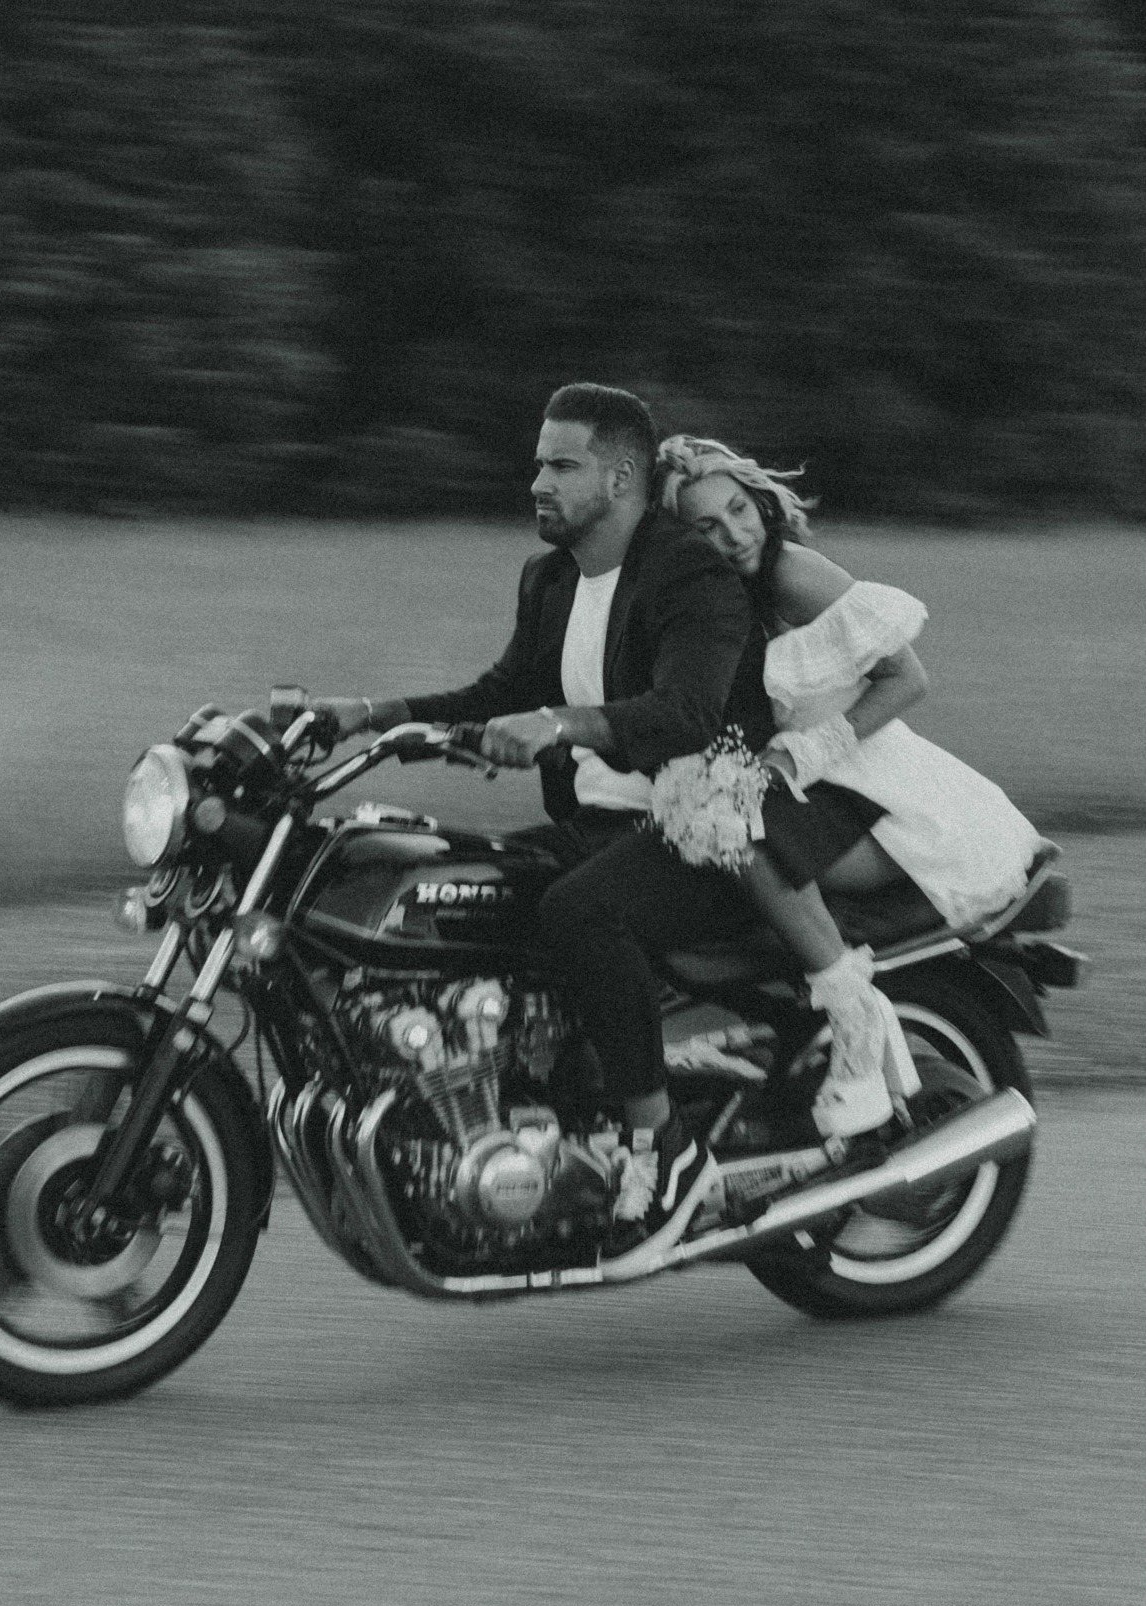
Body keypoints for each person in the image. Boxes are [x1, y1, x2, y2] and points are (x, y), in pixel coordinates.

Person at [313, 384, 898, 1267]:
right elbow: (501, 692)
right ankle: (545, 1104)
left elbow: (686, 713)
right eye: (537, 465)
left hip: (704, 829)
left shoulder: (689, 573)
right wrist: (371, 713)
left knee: (582, 911)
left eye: (561, 465)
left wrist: (561, 725)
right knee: (463, 887)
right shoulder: (550, 577)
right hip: (600, 823)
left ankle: (661, 1152)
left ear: (620, 477)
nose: (537, 483)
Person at [657, 436, 1042, 1081]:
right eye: (707, 527)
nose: (734, 535)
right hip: (810, 790)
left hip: (875, 789)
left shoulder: (792, 574)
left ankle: (852, 1023)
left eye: (738, 510)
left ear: (759, 503)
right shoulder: (710, 596)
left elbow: (907, 678)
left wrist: (804, 753)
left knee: (734, 838)